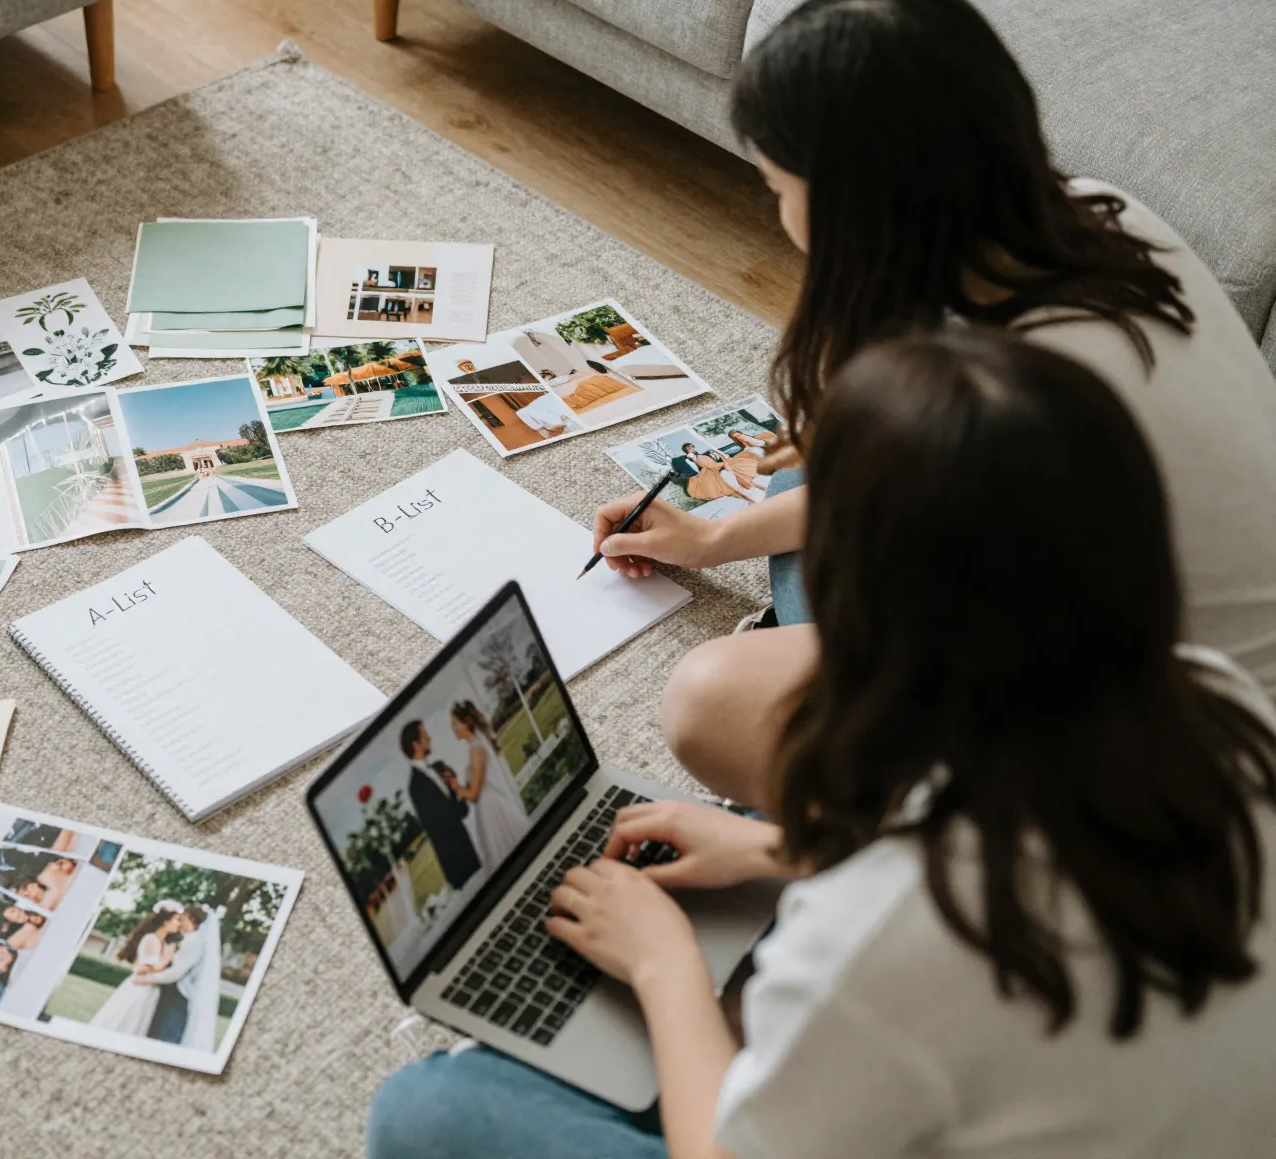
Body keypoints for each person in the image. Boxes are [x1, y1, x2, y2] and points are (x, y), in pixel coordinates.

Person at [369, 329, 1276, 1159]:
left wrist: (665, 965)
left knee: (424, 1116)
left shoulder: (871, 933)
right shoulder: (1214, 698)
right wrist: (775, 846)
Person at [591, 0, 1276, 805]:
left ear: (853, 202)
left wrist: (778, 845)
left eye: (778, 190)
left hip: (1166, 751)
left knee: (709, 698)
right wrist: (706, 540)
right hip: (1163, 629)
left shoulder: (1007, 400)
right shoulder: (1102, 210)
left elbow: (1018, 712)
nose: (779, 215)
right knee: (808, 465)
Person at [400, 721, 482, 892]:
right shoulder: (415, 786)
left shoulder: (438, 768)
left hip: (467, 847)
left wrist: (457, 789)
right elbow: (436, 825)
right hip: (456, 860)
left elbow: (459, 809)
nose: (430, 738)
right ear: (416, 744)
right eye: (425, 735)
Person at [446, 700, 528, 869]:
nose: (452, 727)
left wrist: (456, 787)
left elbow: (474, 794)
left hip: (492, 810)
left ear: (466, 722)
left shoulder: (477, 750)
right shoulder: (475, 748)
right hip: (487, 808)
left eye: (455, 723)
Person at [137, 906, 219, 1048]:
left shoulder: (194, 942)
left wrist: (147, 979)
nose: (180, 922)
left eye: (183, 918)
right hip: (170, 993)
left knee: (165, 1037)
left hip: (177, 996)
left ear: (192, 919)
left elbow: (176, 973)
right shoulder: (189, 939)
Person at [89, 908, 177, 1036]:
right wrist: (166, 960)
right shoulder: (151, 939)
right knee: (124, 1020)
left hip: (150, 989)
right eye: (176, 920)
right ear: (165, 921)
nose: (179, 924)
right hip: (139, 988)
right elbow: (142, 968)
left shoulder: (162, 943)